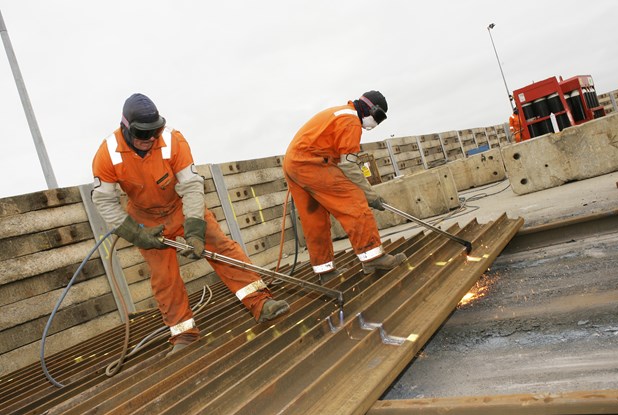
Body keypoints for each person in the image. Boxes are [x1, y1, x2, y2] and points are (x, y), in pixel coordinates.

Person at [91, 93, 289, 355]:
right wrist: (137, 234)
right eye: (143, 134)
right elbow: (104, 202)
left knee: (220, 247)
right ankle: (183, 334)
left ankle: (260, 303)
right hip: (144, 217)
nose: (151, 140)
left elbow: (193, 187)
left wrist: (195, 229)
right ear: (127, 128)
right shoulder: (107, 155)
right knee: (164, 275)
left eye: (155, 133)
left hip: (181, 206)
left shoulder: (173, 141)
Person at [283, 90, 407, 284]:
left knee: (314, 218)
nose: (375, 123)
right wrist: (370, 195)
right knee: (355, 202)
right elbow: (348, 165)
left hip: (294, 164)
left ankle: (325, 272)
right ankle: (373, 258)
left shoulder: (340, 114)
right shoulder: (351, 121)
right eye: (378, 117)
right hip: (311, 164)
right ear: (370, 109)